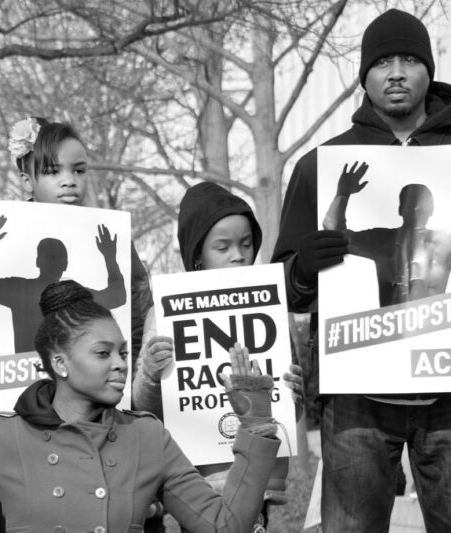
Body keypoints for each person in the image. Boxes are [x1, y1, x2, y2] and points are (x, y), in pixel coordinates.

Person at [0, 280, 281, 533]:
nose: (122, 363)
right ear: (60, 363)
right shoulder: (2, 438)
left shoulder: (146, 435)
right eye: (103, 353)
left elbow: (224, 527)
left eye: (124, 352)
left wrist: (256, 427)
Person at [271, 9, 451, 531]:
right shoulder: (319, 167)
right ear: (364, 75)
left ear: (430, 69)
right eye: (383, 61)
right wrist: (306, 264)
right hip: (356, 398)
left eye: (411, 59)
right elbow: (286, 285)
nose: (396, 72)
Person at [133, 182, 304, 532]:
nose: (238, 254)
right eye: (222, 246)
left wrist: (295, 394)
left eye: (246, 243)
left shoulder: (270, 307)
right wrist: (150, 373)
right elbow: (144, 408)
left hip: (258, 480)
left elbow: (286, 409)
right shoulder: (164, 314)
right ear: (198, 254)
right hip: (194, 482)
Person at [0, 117, 152, 365]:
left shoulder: (111, 242)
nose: (69, 180)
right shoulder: (17, 279)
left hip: (93, 398)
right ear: (27, 180)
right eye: (52, 171)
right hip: (17, 400)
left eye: (79, 170)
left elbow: (136, 319)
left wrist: (133, 385)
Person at [0, 214, 126, 353]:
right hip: (59, 378)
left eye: (56, 258)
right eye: (51, 257)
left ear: (38, 261)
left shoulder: (21, 290)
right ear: (65, 264)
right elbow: (117, 296)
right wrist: (109, 257)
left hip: (32, 378)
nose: (53, 262)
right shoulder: (74, 295)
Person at [322, 162, 451, 306]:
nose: (415, 213)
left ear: (431, 210)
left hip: (434, 325)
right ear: (400, 210)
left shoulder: (445, 243)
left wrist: (343, 193)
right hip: (390, 324)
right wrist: (343, 193)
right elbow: (333, 236)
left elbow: (333, 234)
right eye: (410, 208)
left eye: (420, 209)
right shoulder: (382, 239)